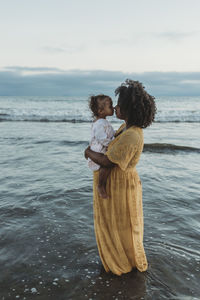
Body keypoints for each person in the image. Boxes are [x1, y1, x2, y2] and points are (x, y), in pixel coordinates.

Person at [85, 79, 156, 275]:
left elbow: (108, 161)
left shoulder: (132, 134)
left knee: (124, 225)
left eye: (119, 104)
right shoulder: (123, 128)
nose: (115, 107)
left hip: (121, 187)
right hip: (114, 184)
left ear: (128, 108)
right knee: (113, 224)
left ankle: (123, 264)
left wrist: (88, 153)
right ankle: (114, 258)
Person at [88, 94, 115, 198]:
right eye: (110, 106)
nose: (113, 107)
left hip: (102, 147)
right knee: (107, 164)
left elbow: (110, 133)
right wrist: (111, 144)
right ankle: (101, 185)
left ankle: (102, 185)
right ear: (100, 111)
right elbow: (101, 138)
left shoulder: (103, 122)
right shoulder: (99, 123)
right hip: (99, 149)